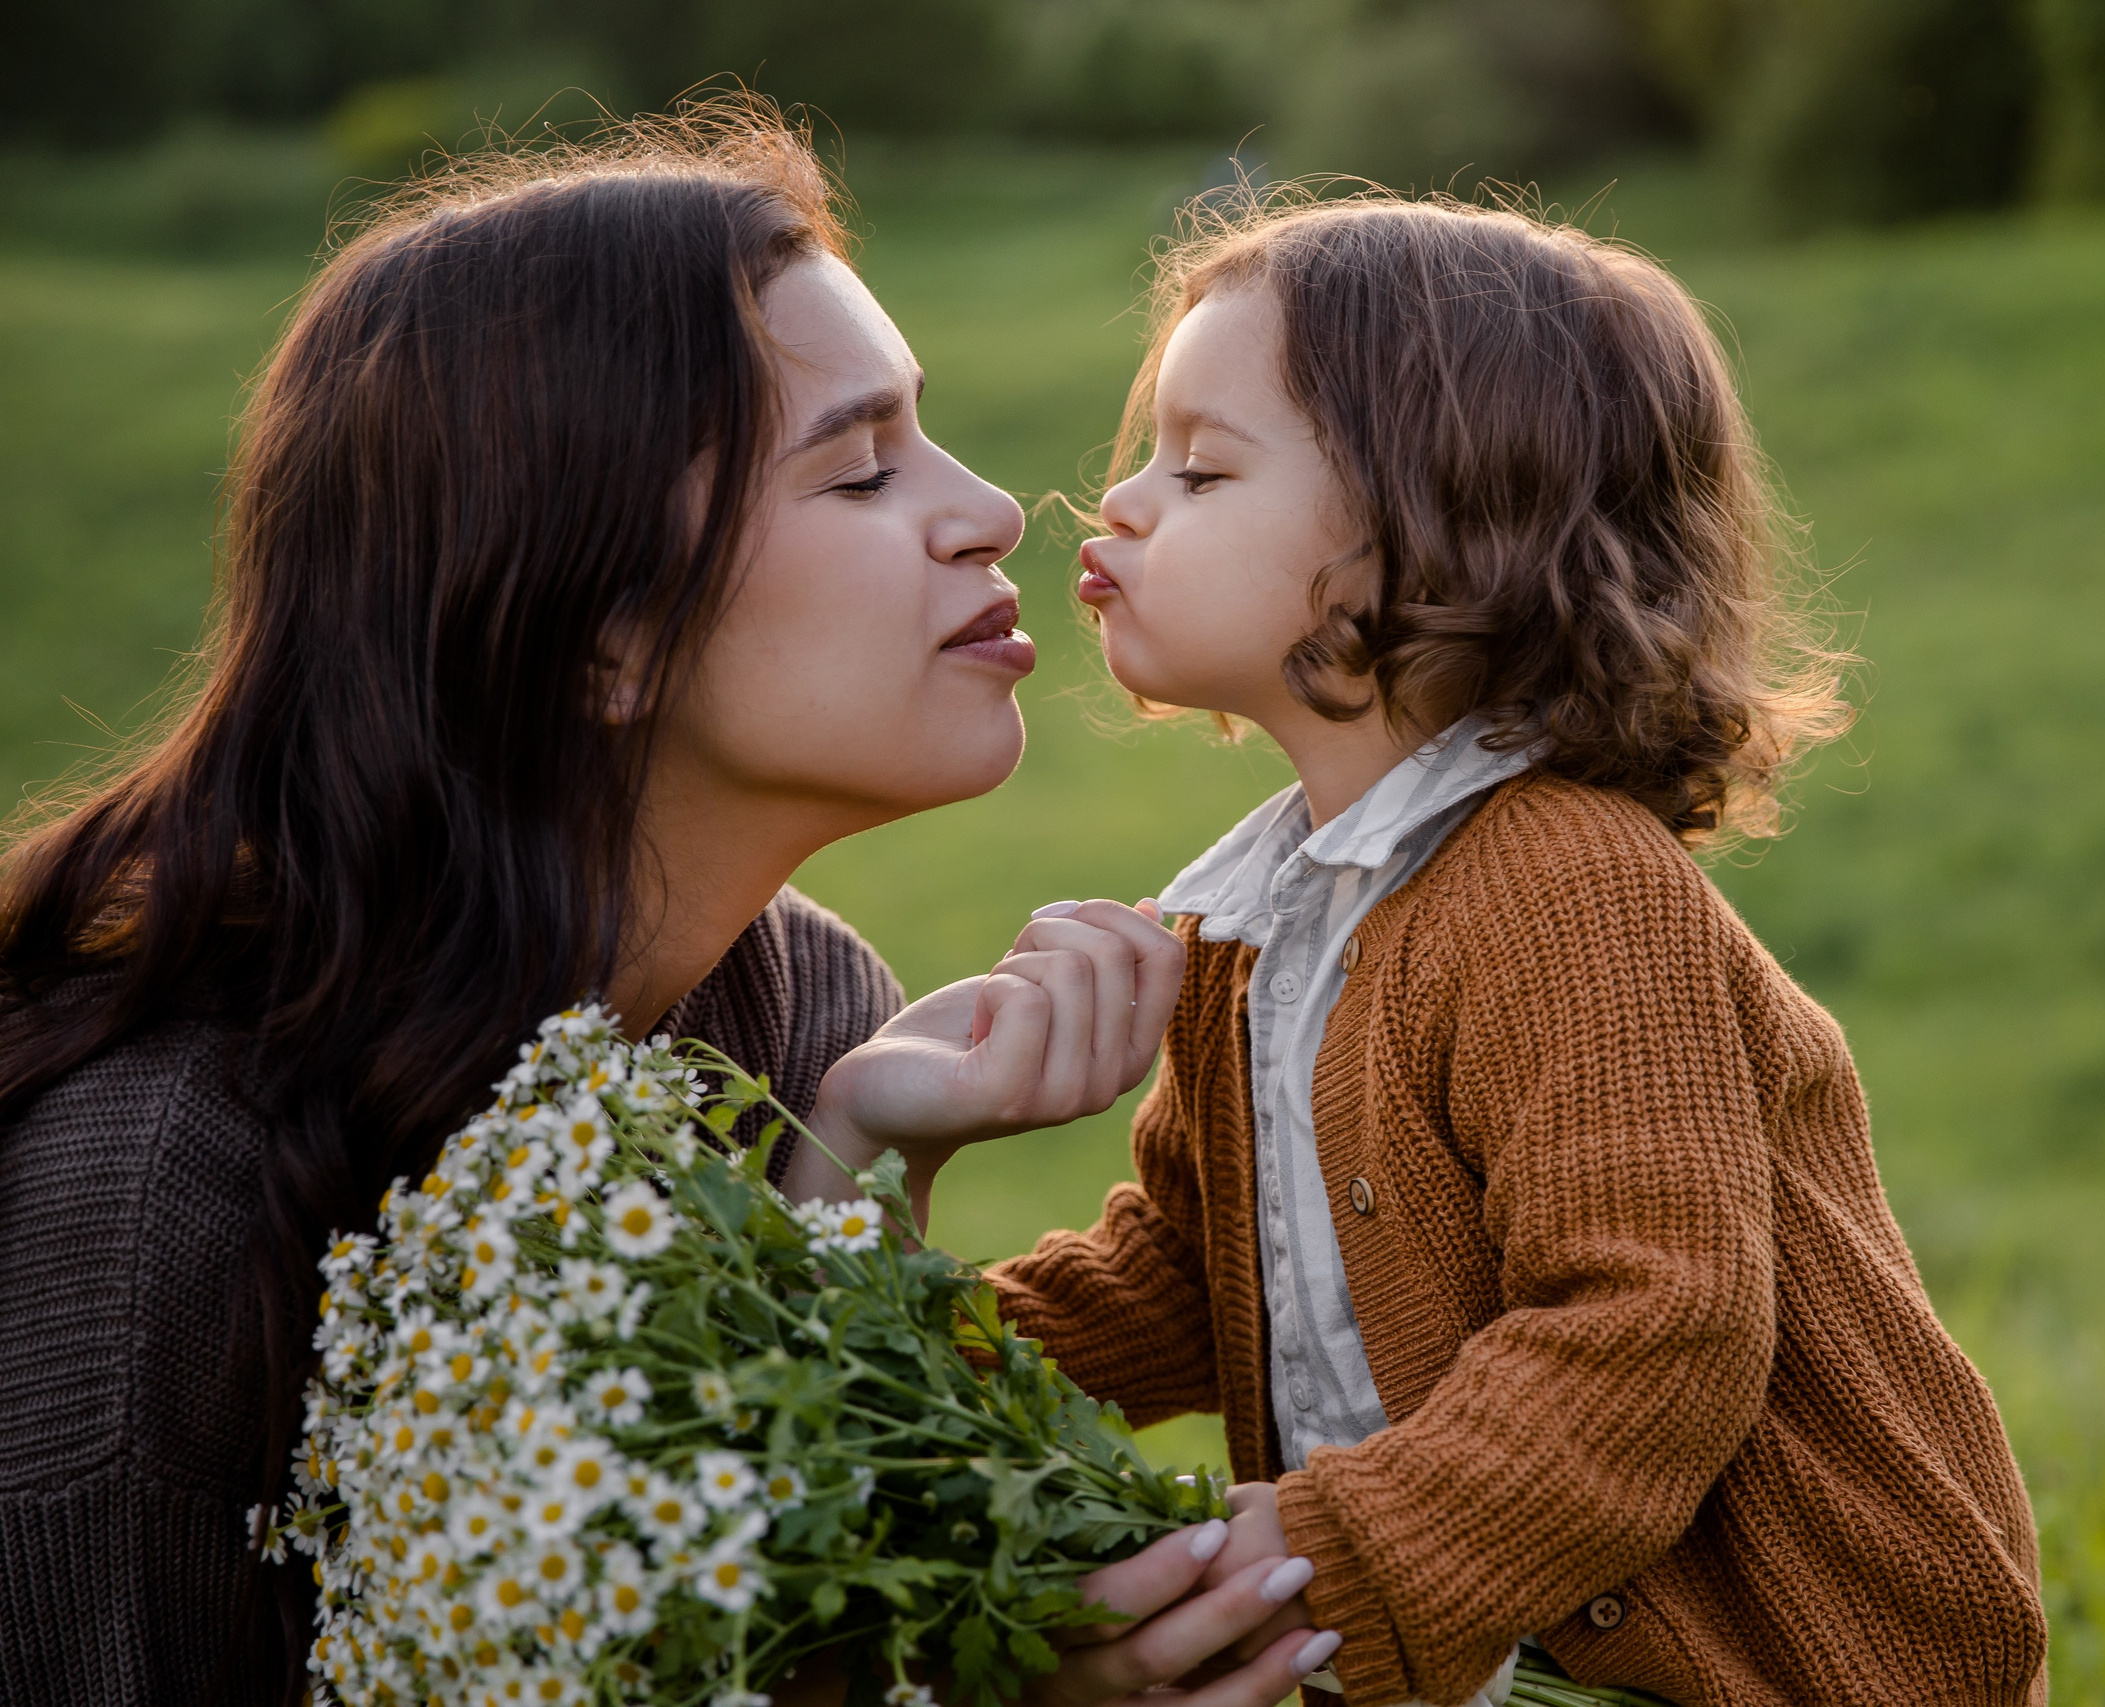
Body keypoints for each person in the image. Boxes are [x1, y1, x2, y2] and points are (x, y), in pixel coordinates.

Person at [0, 103, 1329, 1707]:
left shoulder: (796, 1018)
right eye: (859, 471)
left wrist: (866, 1159)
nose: (990, 511)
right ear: (602, 634)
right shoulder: (144, 1207)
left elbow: (792, 1628)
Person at [854, 192, 2050, 1706]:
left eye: (1203, 469)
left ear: (1436, 530)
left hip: (1751, 1668)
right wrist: (892, 1378)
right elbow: (1187, 1277)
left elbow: (1653, 1332)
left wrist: (1328, 1553)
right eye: (1146, 458)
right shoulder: (1260, 924)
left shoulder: (1569, 891)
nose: (1121, 508)